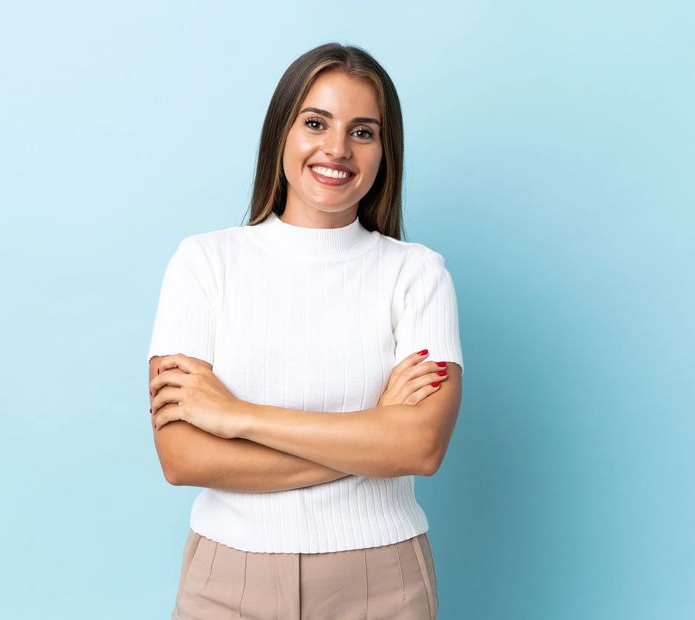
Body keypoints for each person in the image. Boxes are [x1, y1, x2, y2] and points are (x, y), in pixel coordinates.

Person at [147, 42, 463, 620]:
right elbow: (182, 457)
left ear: (385, 152)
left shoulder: (417, 274)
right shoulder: (203, 263)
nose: (337, 149)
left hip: (381, 579)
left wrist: (239, 418)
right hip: (226, 577)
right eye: (316, 122)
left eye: (363, 132)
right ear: (282, 133)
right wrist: (371, 442)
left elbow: (420, 446)